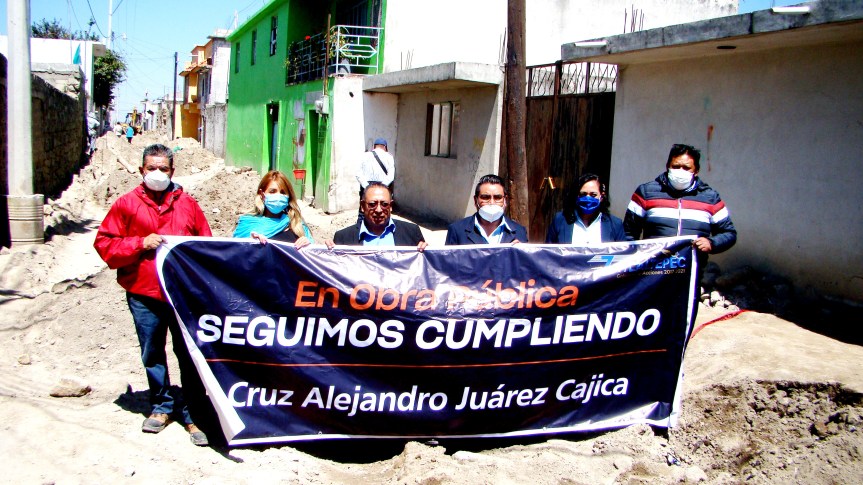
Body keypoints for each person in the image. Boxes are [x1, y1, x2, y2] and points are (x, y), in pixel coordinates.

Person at [93, 143, 212, 447]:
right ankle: (161, 405)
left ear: (173, 171)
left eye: (164, 169)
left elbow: (205, 247)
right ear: (141, 170)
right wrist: (138, 244)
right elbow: (105, 245)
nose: (158, 174)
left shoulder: (188, 205)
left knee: (189, 353)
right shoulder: (126, 205)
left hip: (181, 296)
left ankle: (191, 411)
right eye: (152, 168)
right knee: (152, 352)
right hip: (143, 293)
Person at [623, 143, 737, 266]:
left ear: (696, 171)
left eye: (686, 168)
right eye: (676, 166)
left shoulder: (710, 198)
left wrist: (712, 243)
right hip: (652, 273)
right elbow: (628, 233)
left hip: (691, 272)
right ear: (668, 166)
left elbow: (729, 234)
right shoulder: (646, 192)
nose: (680, 171)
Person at [329, 182, 426, 250]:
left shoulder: (411, 233)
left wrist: (427, 252)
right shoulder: (343, 238)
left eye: (384, 204)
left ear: (391, 206)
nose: (379, 210)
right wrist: (325, 254)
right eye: (372, 204)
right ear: (362, 206)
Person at [233, 170, 313, 247]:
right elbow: (235, 252)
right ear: (262, 194)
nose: (278, 196)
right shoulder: (248, 224)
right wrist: (251, 243)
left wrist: (307, 244)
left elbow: (314, 256)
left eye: (283, 192)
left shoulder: (296, 223)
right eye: (272, 191)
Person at [445, 174, 528, 245]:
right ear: (475, 200)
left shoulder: (519, 231)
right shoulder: (457, 230)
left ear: (505, 200)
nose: (491, 202)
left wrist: (520, 254)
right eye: (485, 197)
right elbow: (448, 262)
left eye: (497, 197)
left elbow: (525, 263)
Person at [546, 173, 629, 244]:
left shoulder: (615, 224)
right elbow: (548, 255)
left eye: (593, 195)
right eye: (583, 194)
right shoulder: (560, 220)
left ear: (601, 197)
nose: (588, 198)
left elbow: (622, 258)